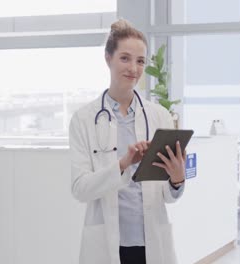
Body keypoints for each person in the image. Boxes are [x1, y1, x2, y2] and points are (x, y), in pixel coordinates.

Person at [69, 19, 186, 264]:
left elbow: (167, 195)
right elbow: (80, 189)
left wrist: (177, 179)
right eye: (125, 58)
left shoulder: (159, 116)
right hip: (108, 242)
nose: (133, 68)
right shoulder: (84, 119)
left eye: (140, 61)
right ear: (108, 58)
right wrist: (122, 164)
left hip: (151, 241)